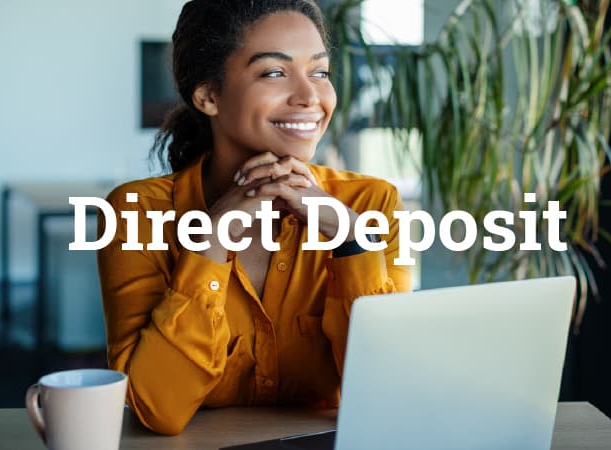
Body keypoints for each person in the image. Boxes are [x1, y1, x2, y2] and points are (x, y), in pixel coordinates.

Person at [97, 0, 411, 435]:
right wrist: (210, 244)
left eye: (320, 72)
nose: (310, 97)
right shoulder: (138, 212)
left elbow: (390, 394)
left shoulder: (371, 205)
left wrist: (351, 239)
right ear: (208, 96)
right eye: (274, 72)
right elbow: (157, 409)